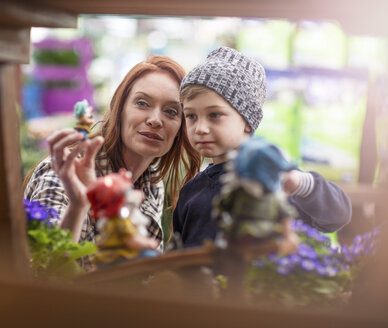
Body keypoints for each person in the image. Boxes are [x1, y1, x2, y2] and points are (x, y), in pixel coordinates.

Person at [24, 55, 201, 270]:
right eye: (142, 103)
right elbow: (42, 268)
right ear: (120, 109)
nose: (155, 119)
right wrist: (78, 206)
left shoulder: (152, 184)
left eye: (171, 111)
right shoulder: (65, 172)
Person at [173, 46, 352, 247]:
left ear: (247, 121)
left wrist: (300, 184)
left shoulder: (273, 180)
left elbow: (339, 215)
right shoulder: (191, 192)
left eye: (214, 115)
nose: (200, 128)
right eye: (191, 116)